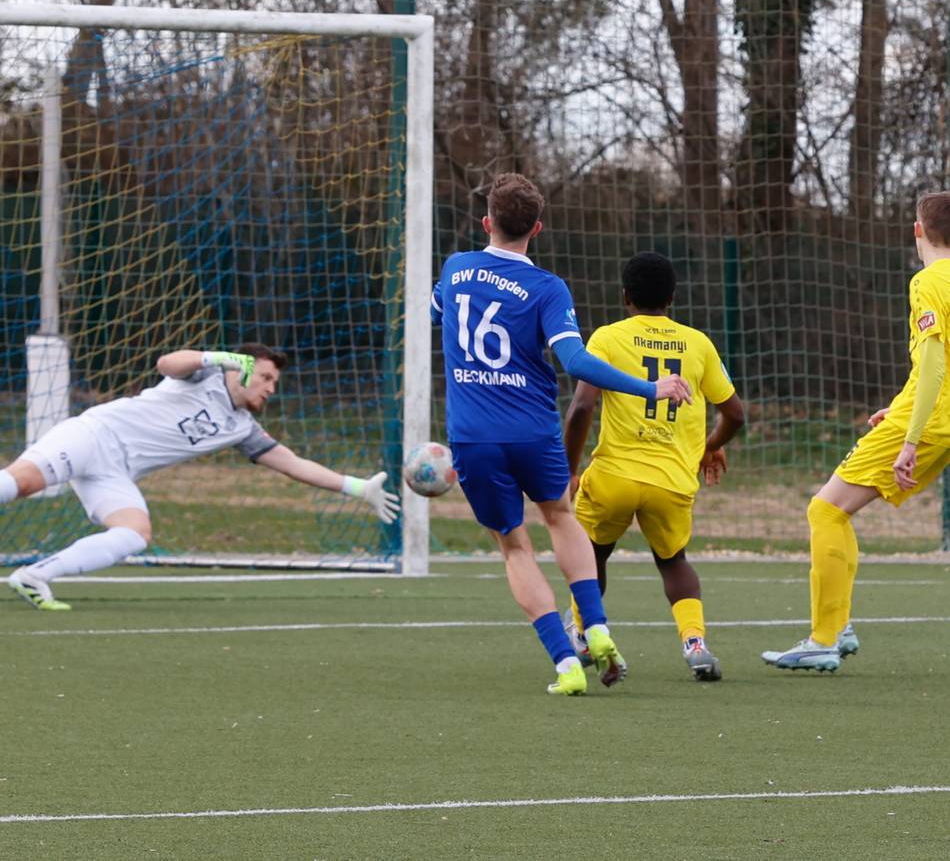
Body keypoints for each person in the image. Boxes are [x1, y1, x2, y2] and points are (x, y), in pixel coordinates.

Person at [431, 173, 692, 696]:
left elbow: (433, 313)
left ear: (487, 222)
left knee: (514, 547)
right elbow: (574, 360)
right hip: (533, 431)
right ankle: (594, 628)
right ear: (538, 229)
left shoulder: (456, 269)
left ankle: (565, 665)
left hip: (473, 437)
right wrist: (649, 387)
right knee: (561, 515)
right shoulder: (547, 288)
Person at [3, 344, 400, 610]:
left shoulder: (243, 428)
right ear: (240, 368)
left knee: (135, 533)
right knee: (22, 483)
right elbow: (166, 364)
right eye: (264, 377)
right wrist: (215, 358)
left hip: (115, 472)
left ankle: (34, 576)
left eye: (275, 383)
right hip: (92, 436)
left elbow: (293, 463)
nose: (271, 388)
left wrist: (357, 487)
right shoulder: (204, 376)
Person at [762, 191, 950, 671]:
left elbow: (933, 364)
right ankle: (837, 625)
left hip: (930, 421)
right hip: (929, 413)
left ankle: (826, 636)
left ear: (917, 231)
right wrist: (900, 406)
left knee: (826, 510)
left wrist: (910, 439)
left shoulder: (929, 281)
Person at [562, 252, 745, 681]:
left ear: (625, 296)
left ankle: (586, 635)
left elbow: (581, 407)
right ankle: (695, 643)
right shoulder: (698, 343)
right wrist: (709, 446)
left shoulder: (607, 338)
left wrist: (570, 470)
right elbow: (735, 414)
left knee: (591, 554)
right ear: (673, 297)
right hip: (672, 481)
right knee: (674, 561)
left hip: (613, 476)